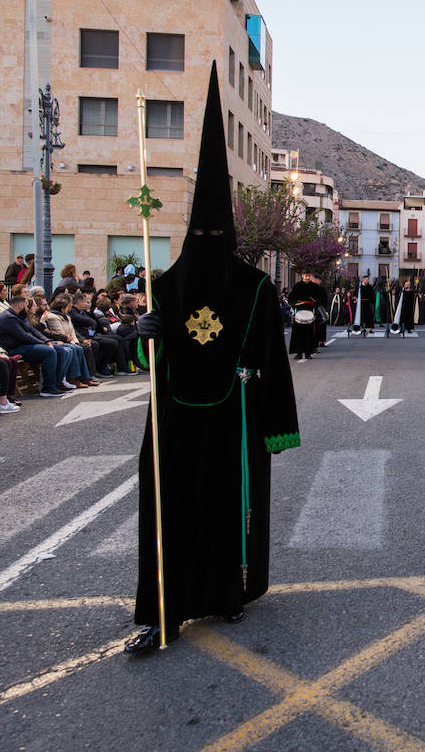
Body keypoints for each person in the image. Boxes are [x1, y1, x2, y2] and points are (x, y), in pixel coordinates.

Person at [125, 66, 300, 654]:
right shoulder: (165, 285)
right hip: (174, 421)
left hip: (234, 423)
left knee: (228, 509)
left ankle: (230, 591)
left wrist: (275, 424)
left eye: (211, 231)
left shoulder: (254, 289)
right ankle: (163, 608)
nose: (203, 240)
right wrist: (144, 330)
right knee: (170, 507)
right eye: (194, 232)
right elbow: (153, 354)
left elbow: (272, 361)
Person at [287, 272, 325, 361]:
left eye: (308, 275)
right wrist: (294, 304)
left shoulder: (314, 287)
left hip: (310, 310)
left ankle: (308, 353)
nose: (307, 277)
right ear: (302, 276)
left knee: (309, 334)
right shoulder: (297, 286)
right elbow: (291, 298)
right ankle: (299, 353)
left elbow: (320, 298)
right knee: (298, 334)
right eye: (305, 275)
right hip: (299, 310)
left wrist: (316, 303)